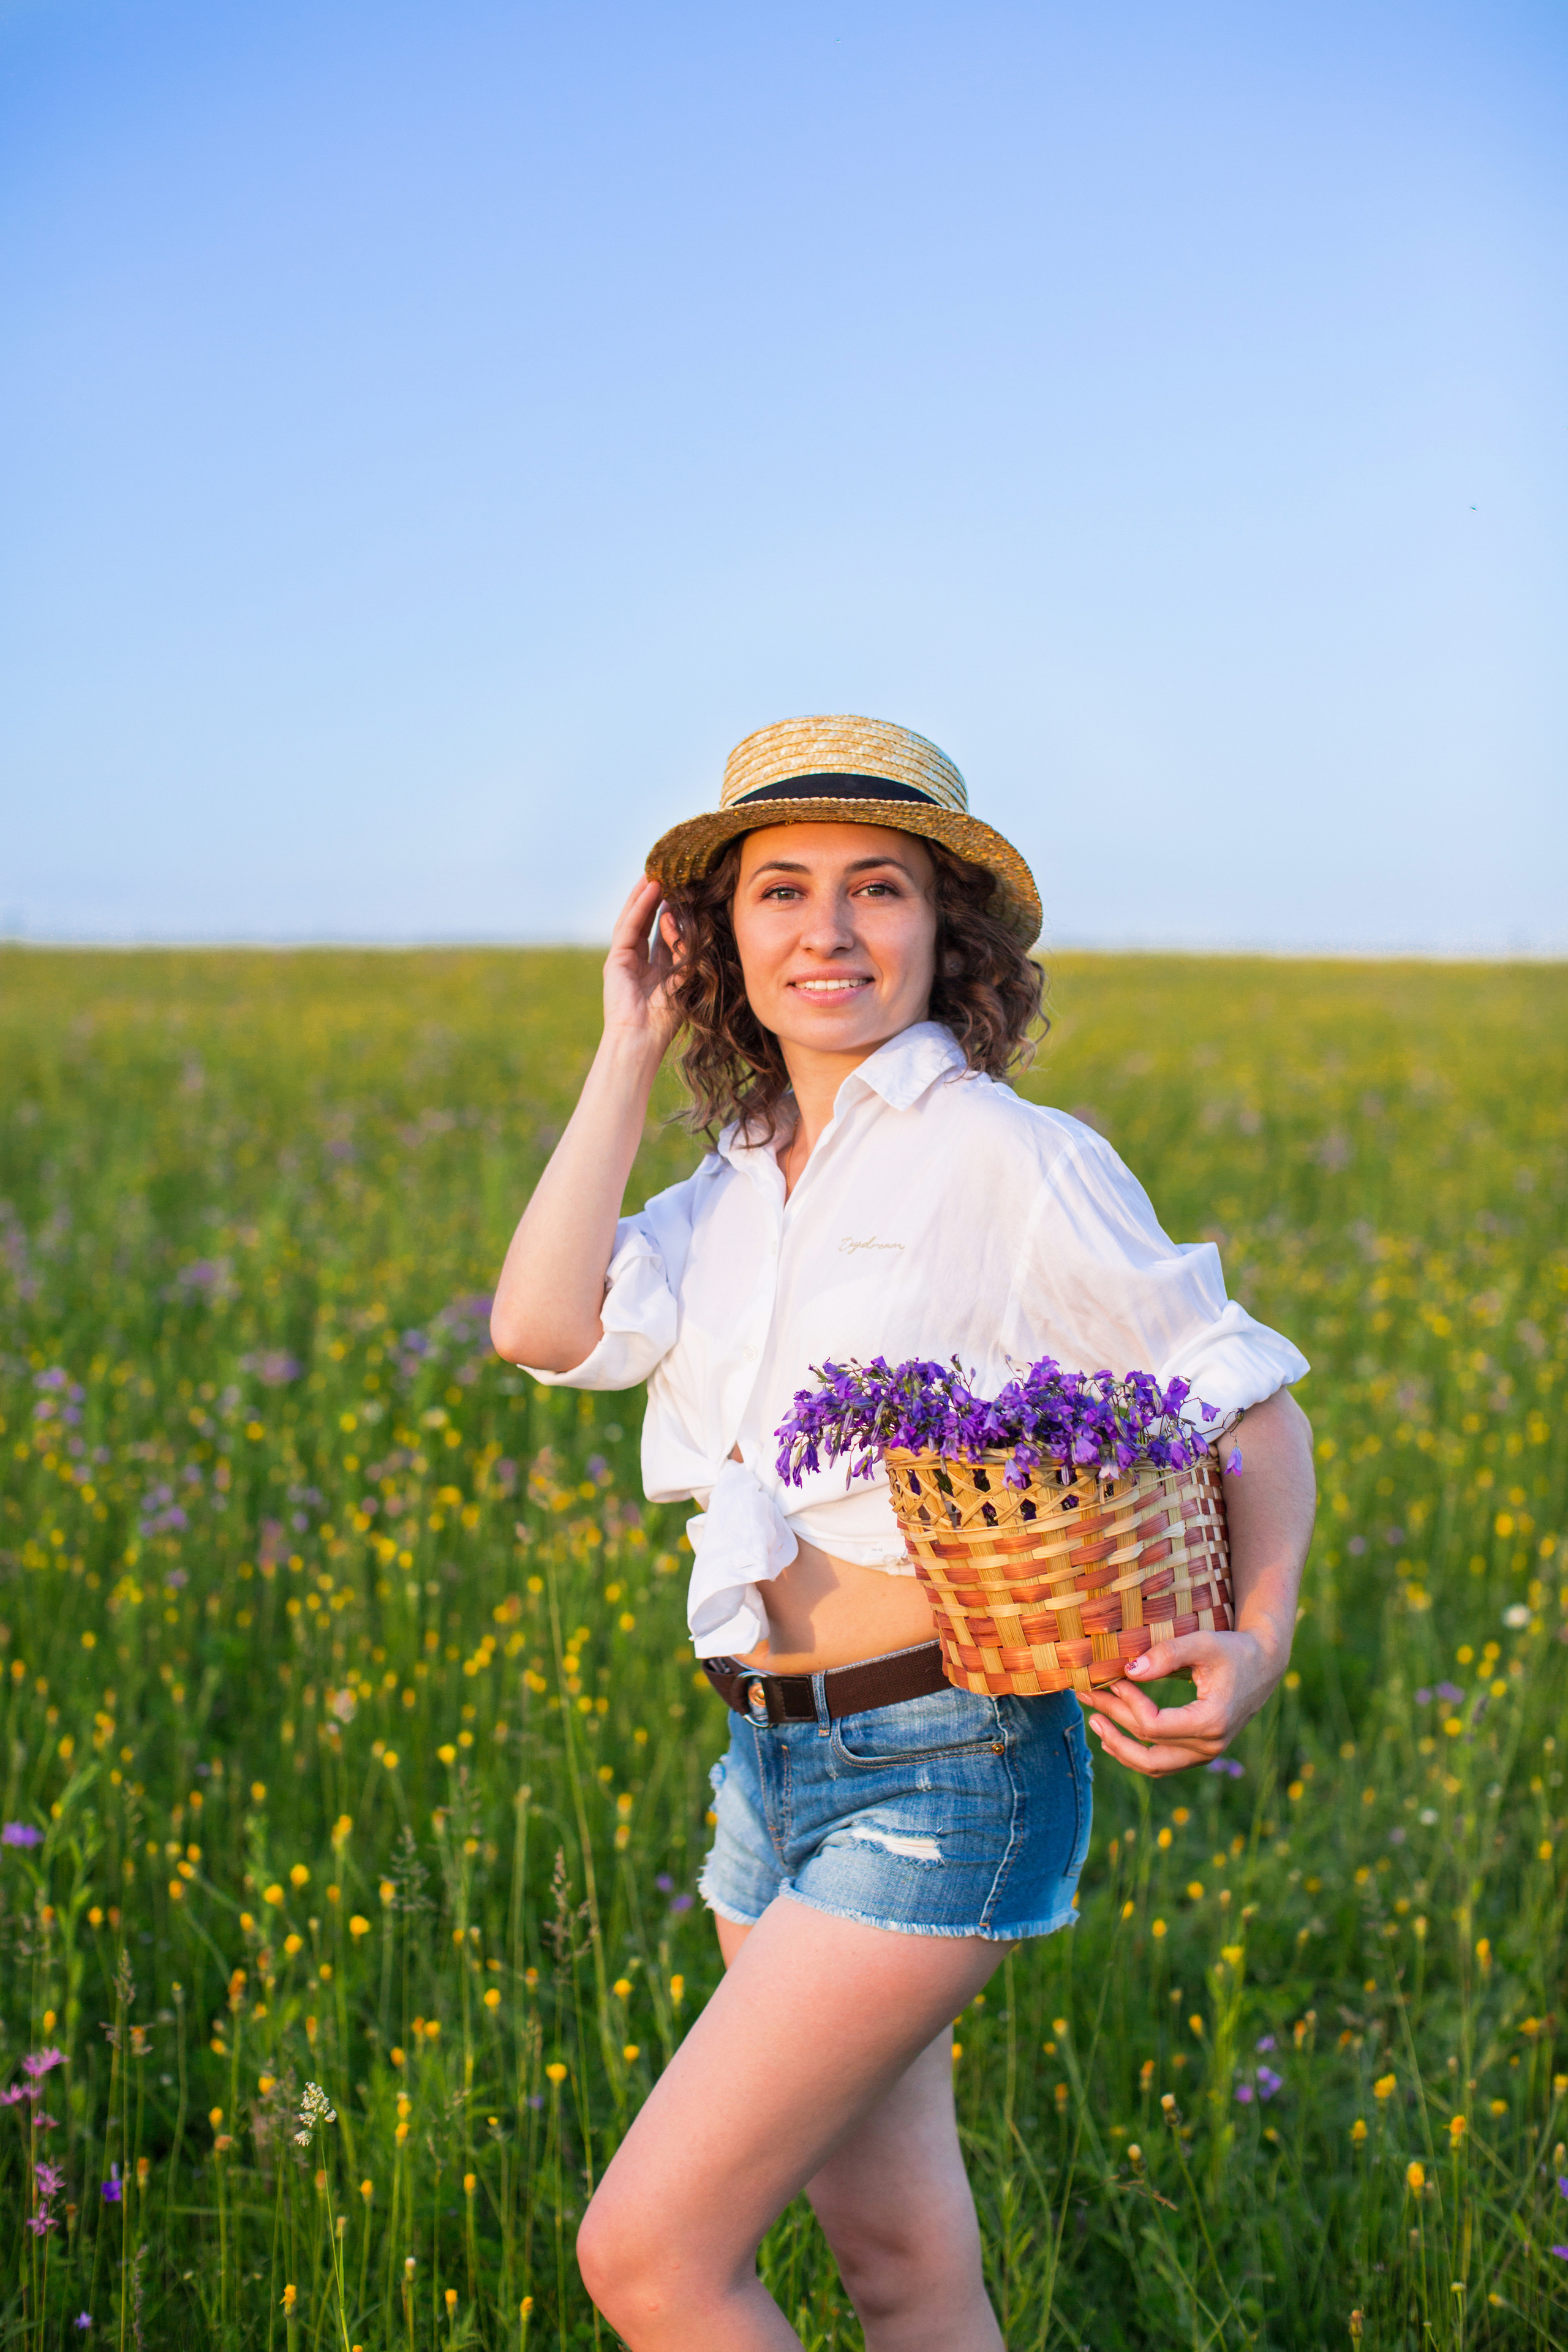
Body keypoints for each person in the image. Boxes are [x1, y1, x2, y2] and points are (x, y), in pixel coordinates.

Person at [491, 715, 1316, 2351]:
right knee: (899, 2264)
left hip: (950, 1762)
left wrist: (1265, 1637)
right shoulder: (731, 1184)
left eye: (879, 887)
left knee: (649, 2261)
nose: (830, 928)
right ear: (716, 936)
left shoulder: (1011, 1156)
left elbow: (1251, 1408)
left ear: (949, 931)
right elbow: (539, 1323)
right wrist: (628, 1043)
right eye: (780, 890)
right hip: (766, 1767)